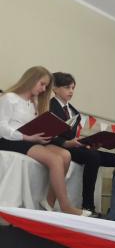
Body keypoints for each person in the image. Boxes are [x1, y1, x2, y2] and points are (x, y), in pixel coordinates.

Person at [0, 66, 89, 216]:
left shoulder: (34, 102)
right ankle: (66, 206)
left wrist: (44, 134)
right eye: (42, 84)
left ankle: (49, 201)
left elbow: (33, 126)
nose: (43, 89)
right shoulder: (9, 98)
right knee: (55, 159)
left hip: (29, 139)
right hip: (10, 139)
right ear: (31, 80)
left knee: (66, 155)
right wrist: (26, 137)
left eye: (46, 86)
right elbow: (2, 127)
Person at [49, 72, 115, 214]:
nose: (71, 91)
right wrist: (67, 143)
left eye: (73, 88)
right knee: (93, 156)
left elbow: (72, 135)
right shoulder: (49, 106)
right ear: (55, 88)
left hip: (73, 146)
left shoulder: (74, 111)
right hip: (58, 146)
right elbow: (48, 134)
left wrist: (87, 143)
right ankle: (88, 205)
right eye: (67, 87)